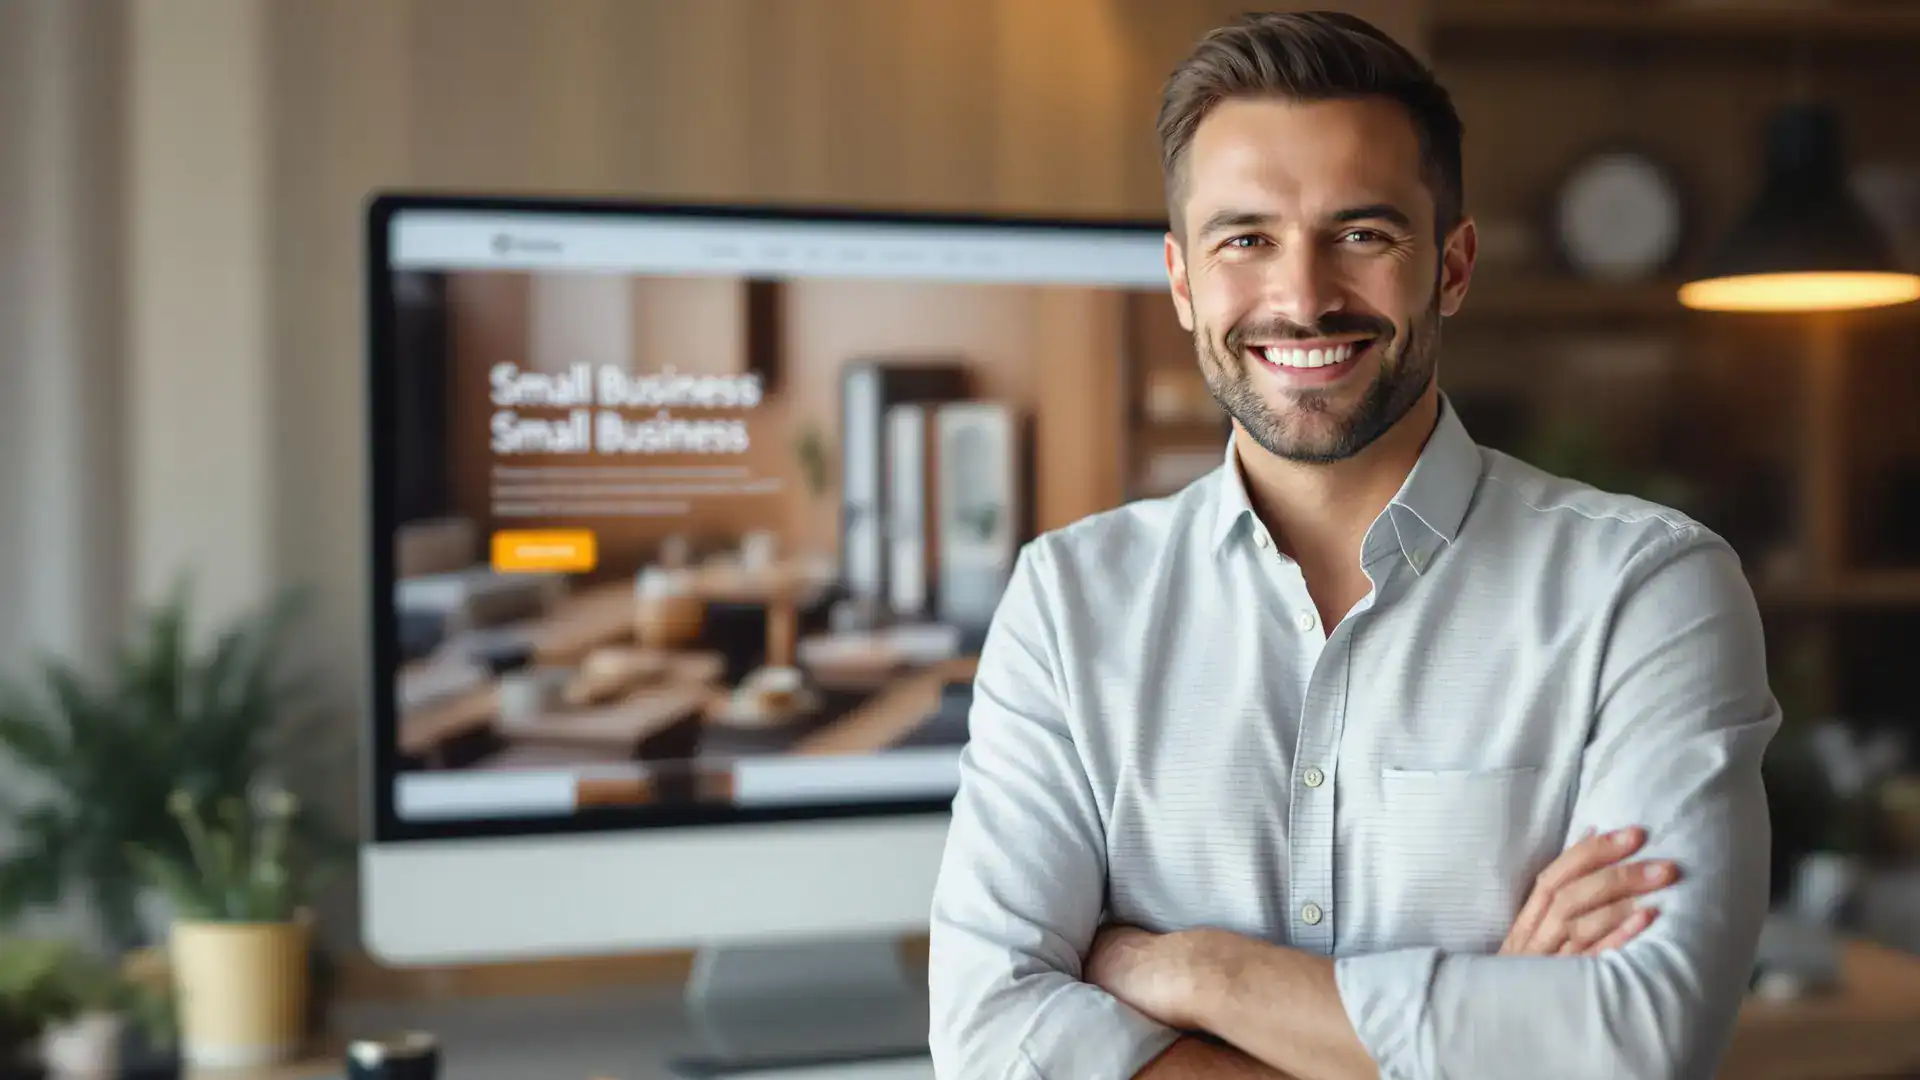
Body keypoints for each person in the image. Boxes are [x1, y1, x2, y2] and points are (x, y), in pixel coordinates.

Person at [927, 10, 1778, 1080]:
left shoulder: (1647, 592)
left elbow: (1635, 1043)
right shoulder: (1067, 602)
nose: (1302, 296)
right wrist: (1482, 1035)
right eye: (1247, 239)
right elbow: (989, 1038)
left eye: (1363, 234)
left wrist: (1199, 975)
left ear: (1453, 266)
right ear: (1183, 279)